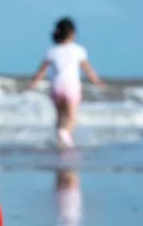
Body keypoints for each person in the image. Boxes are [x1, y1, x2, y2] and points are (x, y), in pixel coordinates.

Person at [26, 17, 104, 149]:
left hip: (56, 87)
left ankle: (61, 143)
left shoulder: (52, 51)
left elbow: (41, 71)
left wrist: (33, 83)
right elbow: (88, 69)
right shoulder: (78, 50)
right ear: (72, 34)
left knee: (60, 117)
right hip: (71, 87)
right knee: (71, 118)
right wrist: (96, 81)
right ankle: (65, 136)